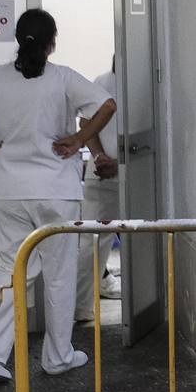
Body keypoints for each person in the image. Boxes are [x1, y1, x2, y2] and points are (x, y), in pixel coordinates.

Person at [0, 8, 116, 383]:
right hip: (56, 191)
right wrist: (80, 140)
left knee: (11, 267)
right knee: (58, 275)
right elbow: (107, 105)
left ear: (19, 40)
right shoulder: (64, 78)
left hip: (9, 192)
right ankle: (57, 356)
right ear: (53, 42)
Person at [75, 61, 122, 321]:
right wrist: (106, 159)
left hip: (101, 170)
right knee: (94, 241)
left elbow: (85, 124)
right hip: (112, 172)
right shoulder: (107, 82)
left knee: (91, 241)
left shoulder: (100, 82)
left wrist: (99, 155)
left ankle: (81, 308)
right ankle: (81, 305)